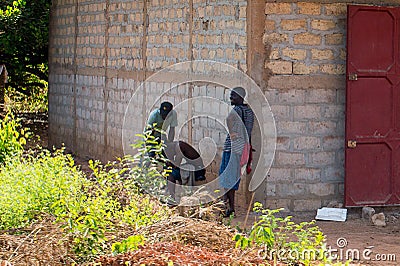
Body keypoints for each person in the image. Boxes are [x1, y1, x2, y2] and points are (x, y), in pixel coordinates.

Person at [219, 87, 254, 217]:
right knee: (233, 177)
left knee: (225, 178)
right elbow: (249, 131)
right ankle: (228, 206)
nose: (231, 98)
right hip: (242, 148)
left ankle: (227, 206)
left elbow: (229, 119)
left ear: (241, 97)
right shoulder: (249, 111)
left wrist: (232, 133)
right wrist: (249, 147)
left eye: (233, 96)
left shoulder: (237, 110)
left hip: (232, 148)